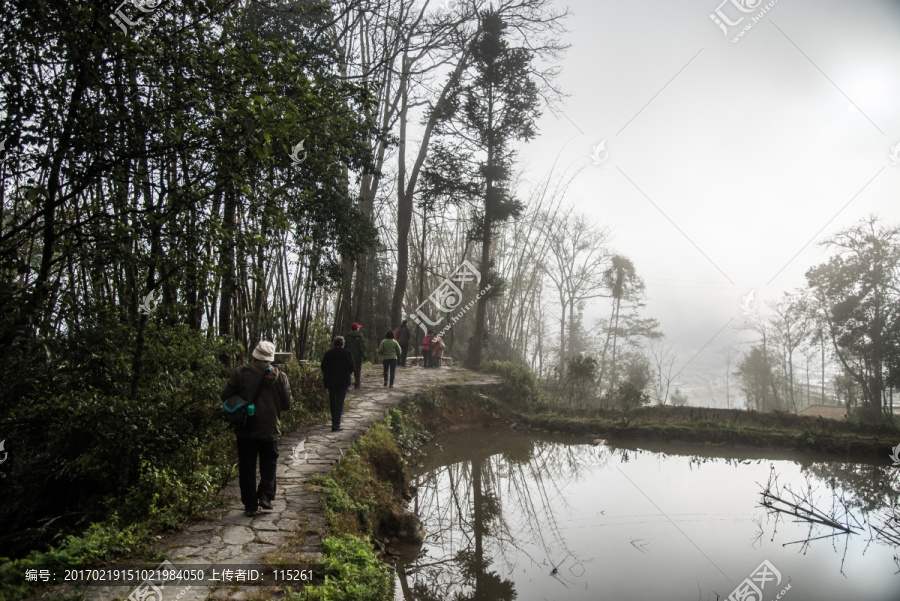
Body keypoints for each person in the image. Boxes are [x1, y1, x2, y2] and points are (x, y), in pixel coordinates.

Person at [221, 341, 293, 517]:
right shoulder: (280, 376)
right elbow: (287, 404)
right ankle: (266, 495)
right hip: (270, 429)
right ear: (271, 358)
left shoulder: (240, 374)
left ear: (254, 355)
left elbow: (225, 397)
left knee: (247, 466)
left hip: (246, 428)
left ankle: (250, 505)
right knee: (269, 463)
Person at [320, 336, 355, 432]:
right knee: (340, 401)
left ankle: (334, 422)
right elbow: (352, 367)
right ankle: (336, 424)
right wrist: (346, 373)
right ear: (343, 344)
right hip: (342, 381)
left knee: (332, 401)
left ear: (334, 343)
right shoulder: (347, 353)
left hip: (330, 381)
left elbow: (323, 366)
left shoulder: (328, 353)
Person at [344, 322, 367, 388]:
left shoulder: (347, 336)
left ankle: (347, 385)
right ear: (356, 328)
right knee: (357, 371)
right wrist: (364, 356)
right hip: (357, 357)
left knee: (348, 371)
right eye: (358, 328)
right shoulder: (360, 336)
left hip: (348, 357)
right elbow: (361, 348)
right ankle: (357, 384)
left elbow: (345, 346)